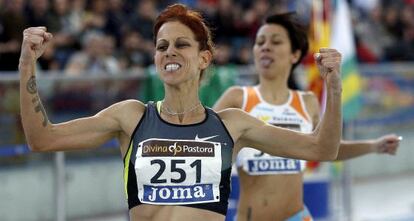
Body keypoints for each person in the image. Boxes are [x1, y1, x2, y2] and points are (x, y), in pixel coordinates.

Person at [19, 4, 343, 221]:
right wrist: (26, 66)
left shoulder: (232, 124)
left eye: (181, 44)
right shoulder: (130, 117)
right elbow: (42, 138)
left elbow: (322, 149)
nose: (169, 52)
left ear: (204, 58)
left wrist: (334, 88)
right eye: (162, 47)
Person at [213, 13, 401, 221]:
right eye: (260, 42)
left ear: (295, 55)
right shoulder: (237, 98)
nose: (265, 47)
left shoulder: (307, 102)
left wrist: (374, 145)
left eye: (275, 41)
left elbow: (327, 148)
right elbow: (200, 143)